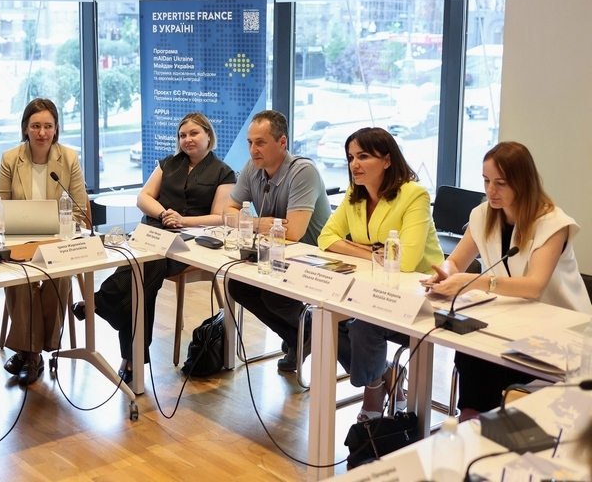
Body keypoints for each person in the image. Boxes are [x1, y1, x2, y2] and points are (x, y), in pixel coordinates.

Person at [425, 141, 592, 420]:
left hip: (563, 333)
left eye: (500, 183)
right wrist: (444, 272)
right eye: (486, 181)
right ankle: (472, 424)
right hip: (514, 323)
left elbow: (534, 286)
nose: (490, 190)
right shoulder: (482, 214)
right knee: (472, 351)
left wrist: (475, 281)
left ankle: (484, 425)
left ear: (523, 182)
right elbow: (455, 262)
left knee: (486, 360)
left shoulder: (552, 222)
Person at [72, 112, 235, 382]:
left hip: (189, 241)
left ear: (208, 135)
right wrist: (163, 214)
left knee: (145, 267)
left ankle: (105, 306)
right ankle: (129, 353)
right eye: (182, 135)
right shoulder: (168, 163)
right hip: (153, 231)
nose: (187, 139)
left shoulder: (223, 172)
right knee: (143, 276)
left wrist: (182, 220)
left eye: (194, 133)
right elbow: (143, 197)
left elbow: (219, 216)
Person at [317, 127, 443, 421]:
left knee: (362, 325)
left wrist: (360, 248)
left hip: (419, 298)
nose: (354, 164)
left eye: (363, 156)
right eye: (351, 157)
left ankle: (373, 391)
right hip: (374, 286)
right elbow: (326, 238)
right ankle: (384, 374)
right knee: (325, 315)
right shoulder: (355, 194)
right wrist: (373, 252)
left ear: (387, 160)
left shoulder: (414, 194)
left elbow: (406, 261)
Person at [225, 110, 331, 372]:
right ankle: (300, 337)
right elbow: (227, 211)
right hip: (276, 256)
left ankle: (306, 333)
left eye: (260, 142)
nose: (253, 150)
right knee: (238, 286)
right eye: (250, 142)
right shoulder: (253, 167)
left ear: (282, 142)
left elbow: (293, 232)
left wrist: (249, 221)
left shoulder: (303, 170)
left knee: (274, 296)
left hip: (314, 259)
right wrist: (260, 223)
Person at [0, 98, 88, 385]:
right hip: (20, 239)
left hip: (57, 240)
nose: (42, 133)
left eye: (48, 126)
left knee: (59, 276)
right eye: (35, 126)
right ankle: (33, 354)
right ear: (25, 128)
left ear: (56, 128)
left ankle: (29, 352)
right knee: (20, 276)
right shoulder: (11, 159)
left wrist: (59, 231)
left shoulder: (69, 158)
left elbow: (79, 211)